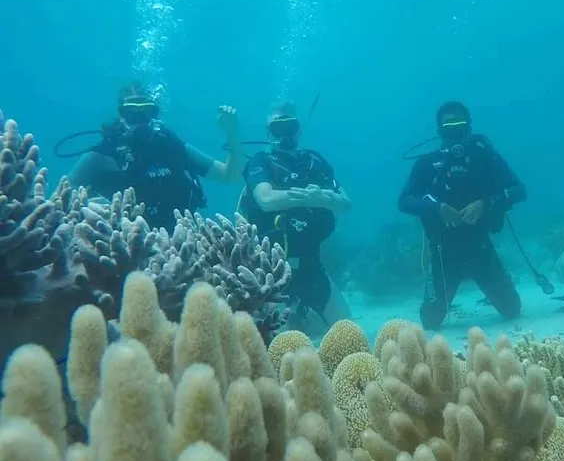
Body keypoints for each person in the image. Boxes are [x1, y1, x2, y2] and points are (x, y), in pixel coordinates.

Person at [398, 100, 526, 330]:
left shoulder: (485, 158)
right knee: (430, 320)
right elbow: (404, 201)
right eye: (449, 127)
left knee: (512, 309)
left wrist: (486, 203)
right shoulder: (428, 164)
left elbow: (519, 190)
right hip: (443, 253)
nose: (455, 132)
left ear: (468, 127)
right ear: (440, 131)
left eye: (460, 126)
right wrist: (437, 209)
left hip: (481, 248)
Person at [239, 101, 352, 333]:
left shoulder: (314, 161)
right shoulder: (260, 162)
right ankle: (299, 318)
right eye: (277, 128)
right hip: (270, 272)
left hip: (312, 265)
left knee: (349, 332)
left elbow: (346, 204)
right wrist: (307, 198)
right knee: (281, 344)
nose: (285, 134)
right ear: (268, 132)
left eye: (290, 127)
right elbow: (265, 199)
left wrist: (321, 197)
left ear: (298, 129)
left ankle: (306, 317)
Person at [68, 82, 243, 231]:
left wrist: (232, 133)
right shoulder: (102, 154)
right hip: (120, 250)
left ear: (155, 114)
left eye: (146, 113)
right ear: (120, 116)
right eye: (131, 115)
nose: (140, 121)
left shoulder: (172, 146)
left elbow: (229, 175)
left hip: (182, 245)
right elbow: (60, 200)